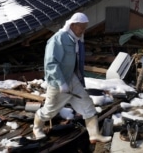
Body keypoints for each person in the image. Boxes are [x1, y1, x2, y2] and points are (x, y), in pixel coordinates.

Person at [33, 12, 112, 143]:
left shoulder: (76, 39)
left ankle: (94, 135)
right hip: (58, 82)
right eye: (82, 27)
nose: (84, 30)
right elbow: (51, 63)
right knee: (50, 111)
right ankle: (37, 128)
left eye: (85, 27)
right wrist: (61, 83)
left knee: (87, 105)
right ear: (73, 25)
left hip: (72, 78)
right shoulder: (58, 39)